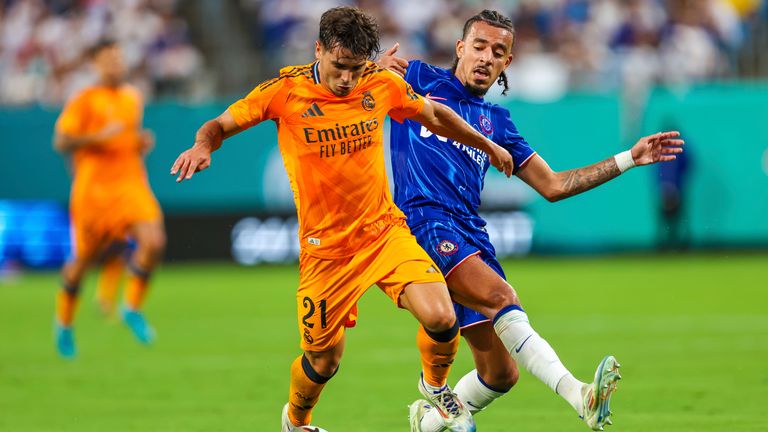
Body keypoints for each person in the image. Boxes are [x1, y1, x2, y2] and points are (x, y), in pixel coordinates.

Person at [171, 7, 516, 432]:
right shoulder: (284, 91)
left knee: (443, 317)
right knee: (324, 360)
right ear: (318, 50)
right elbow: (219, 124)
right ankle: (296, 420)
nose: (348, 79)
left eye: (356, 68)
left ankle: (436, 389)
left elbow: (435, 115)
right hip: (326, 252)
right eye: (339, 67)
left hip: (383, 233)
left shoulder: (380, 83)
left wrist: (488, 144)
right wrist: (203, 146)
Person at [380, 10, 684, 432]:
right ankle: (581, 396)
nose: (487, 57)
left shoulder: (498, 123)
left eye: (499, 52)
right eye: (480, 46)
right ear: (460, 47)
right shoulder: (416, 78)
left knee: (500, 376)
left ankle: (426, 424)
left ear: (508, 63)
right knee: (502, 297)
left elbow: (554, 185)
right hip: (423, 223)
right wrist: (371, 70)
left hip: (470, 233)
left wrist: (628, 159)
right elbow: (347, 79)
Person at [53, 40, 166, 358]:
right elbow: (60, 140)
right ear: (96, 65)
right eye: (109, 60)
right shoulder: (85, 100)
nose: (117, 65)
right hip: (95, 193)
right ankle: (63, 323)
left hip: (131, 185)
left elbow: (124, 138)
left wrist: (137, 142)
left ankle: (131, 307)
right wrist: (97, 138)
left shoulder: (132, 97)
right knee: (83, 263)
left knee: (154, 242)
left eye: (119, 58)